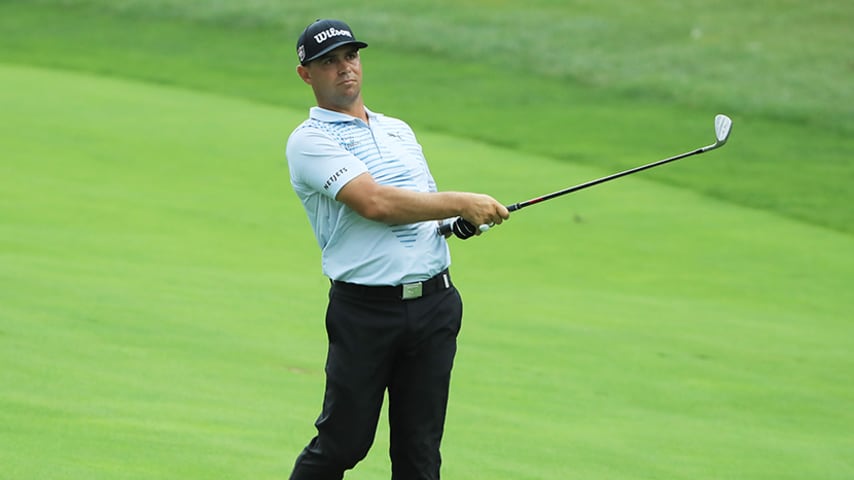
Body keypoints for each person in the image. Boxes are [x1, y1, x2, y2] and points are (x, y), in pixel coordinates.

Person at [285, 18, 510, 480]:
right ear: (306, 74)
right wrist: (462, 200)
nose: (344, 68)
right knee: (343, 444)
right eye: (328, 62)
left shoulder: (398, 131)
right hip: (365, 311)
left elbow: (424, 205)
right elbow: (376, 203)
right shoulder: (309, 141)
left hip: (434, 305)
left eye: (350, 56)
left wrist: (456, 222)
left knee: (420, 453)